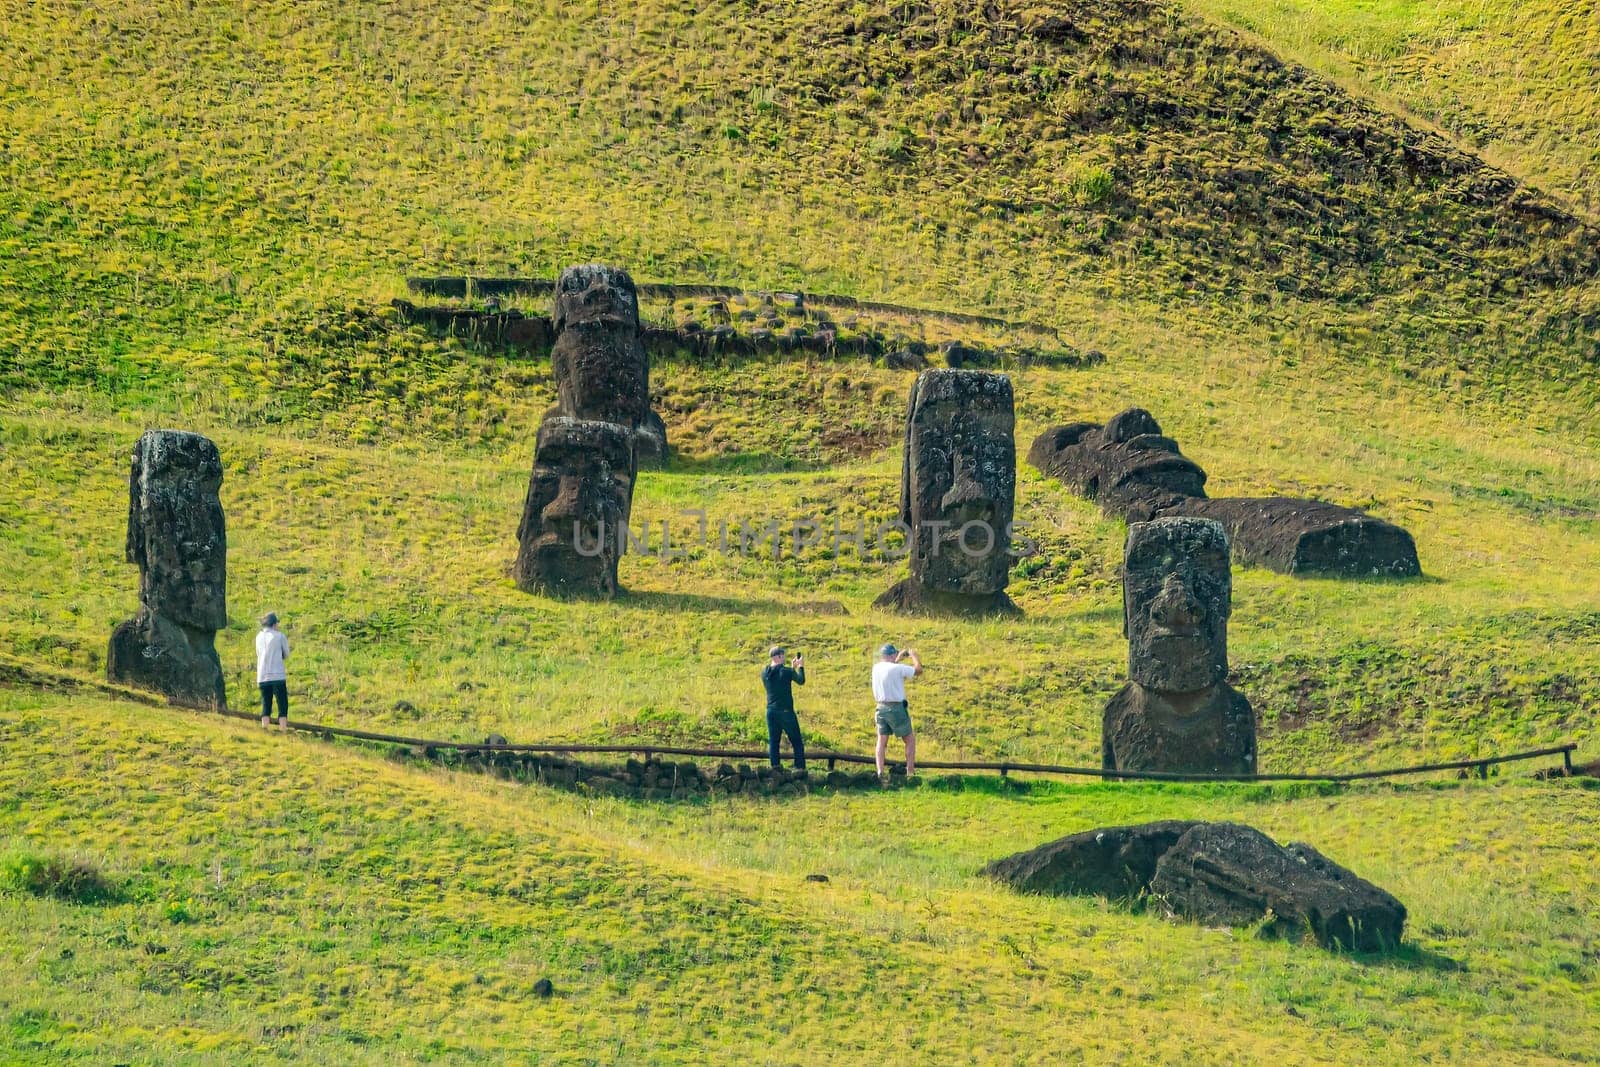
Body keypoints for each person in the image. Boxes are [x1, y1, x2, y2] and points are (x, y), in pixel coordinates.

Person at [872, 643, 921, 779]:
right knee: (909, 740)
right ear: (892, 655)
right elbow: (918, 671)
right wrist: (914, 656)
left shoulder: (876, 668)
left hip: (880, 707)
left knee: (881, 741)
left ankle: (880, 771)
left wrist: (897, 659)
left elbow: (890, 669)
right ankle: (910, 772)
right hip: (896, 708)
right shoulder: (897, 668)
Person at [760, 646, 806, 770]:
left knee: (774, 742)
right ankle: (799, 768)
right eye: (783, 656)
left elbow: (780, 680)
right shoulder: (787, 672)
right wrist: (800, 666)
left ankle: (775, 768)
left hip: (771, 711)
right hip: (786, 711)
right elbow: (801, 680)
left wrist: (791, 668)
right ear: (779, 656)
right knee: (796, 742)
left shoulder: (764, 672)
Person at [256, 613, 290, 731]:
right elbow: (286, 654)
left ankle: (264, 728)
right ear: (274, 624)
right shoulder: (279, 636)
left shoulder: (258, 637)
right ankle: (283, 729)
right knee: (282, 704)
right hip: (277, 675)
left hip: (262, 675)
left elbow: (258, 654)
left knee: (266, 703)